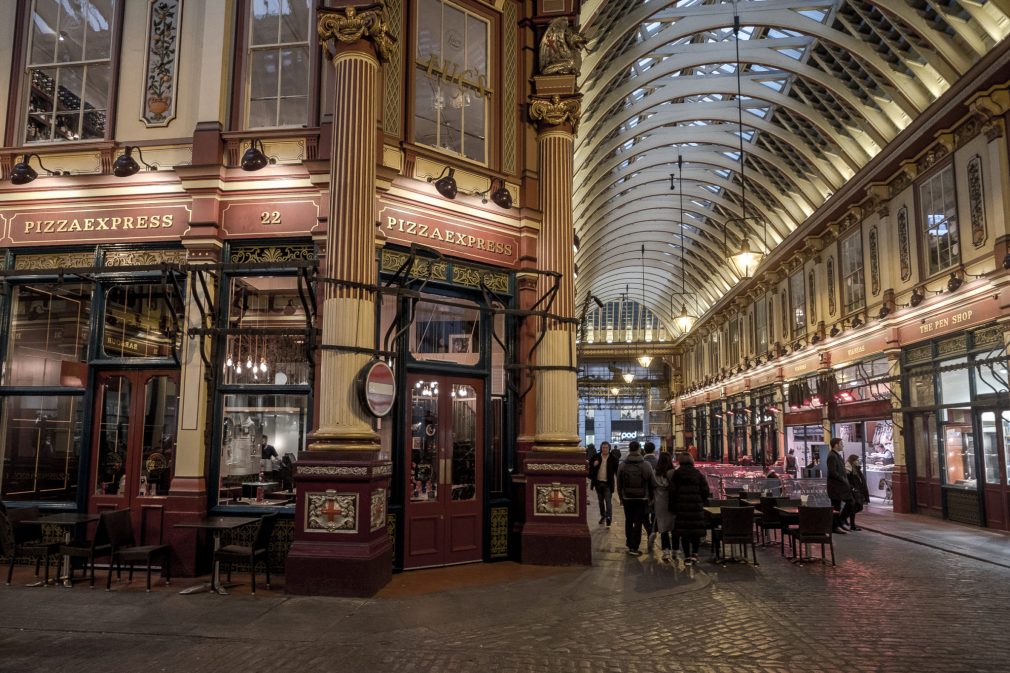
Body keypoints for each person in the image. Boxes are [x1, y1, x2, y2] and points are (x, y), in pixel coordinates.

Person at [669, 452, 710, 566]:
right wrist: (699, 500)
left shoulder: (676, 474)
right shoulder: (698, 474)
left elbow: (672, 492)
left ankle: (686, 556)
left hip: (681, 508)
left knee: (684, 533)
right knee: (695, 532)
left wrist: (673, 507)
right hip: (696, 507)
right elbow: (706, 491)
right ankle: (695, 554)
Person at [616, 440, 654, 556]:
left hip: (627, 498)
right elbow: (651, 482)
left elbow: (619, 483)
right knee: (638, 522)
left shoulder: (622, 465)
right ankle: (635, 546)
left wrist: (621, 497)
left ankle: (629, 543)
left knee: (628, 520)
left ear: (629, 449)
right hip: (641, 499)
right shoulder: (645, 465)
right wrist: (650, 498)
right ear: (638, 449)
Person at [652, 451, 676, 562]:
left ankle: (666, 551)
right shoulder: (673, 473)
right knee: (674, 526)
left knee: (663, 528)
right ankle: (675, 550)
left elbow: (651, 487)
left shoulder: (655, 473)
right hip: (672, 501)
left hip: (659, 503)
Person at [588, 441, 618, 527]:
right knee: (601, 502)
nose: (604, 449)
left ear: (609, 448)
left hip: (608, 484)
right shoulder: (596, 457)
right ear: (601, 448)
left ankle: (609, 518)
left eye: (606, 448)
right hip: (598, 483)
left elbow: (617, 471)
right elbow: (590, 469)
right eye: (603, 447)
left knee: (608, 502)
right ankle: (603, 516)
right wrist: (594, 465)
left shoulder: (613, 458)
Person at [826, 438, 853, 534]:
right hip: (835, 487)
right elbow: (832, 472)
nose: (843, 445)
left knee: (850, 502)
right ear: (836, 445)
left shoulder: (837, 455)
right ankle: (835, 526)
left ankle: (839, 522)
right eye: (841, 444)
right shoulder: (832, 456)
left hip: (840, 486)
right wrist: (842, 478)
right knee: (836, 507)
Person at [845, 454, 870, 531]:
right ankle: (848, 522)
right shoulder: (849, 470)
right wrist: (853, 488)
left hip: (859, 491)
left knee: (858, 507)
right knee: (856, 506)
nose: (858, 461)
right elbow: (847, 480)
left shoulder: (857, 469)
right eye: (857, 460)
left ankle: (844, 519)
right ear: (852, 461)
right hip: (854, 491)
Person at [643, 441, 658, 551]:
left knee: (644, 515)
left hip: (644, 494)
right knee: (654, 515)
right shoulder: (658, 463)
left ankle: (648, 531)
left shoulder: (642, 462)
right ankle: (652, 530)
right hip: (657, 494)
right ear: (654, 450)